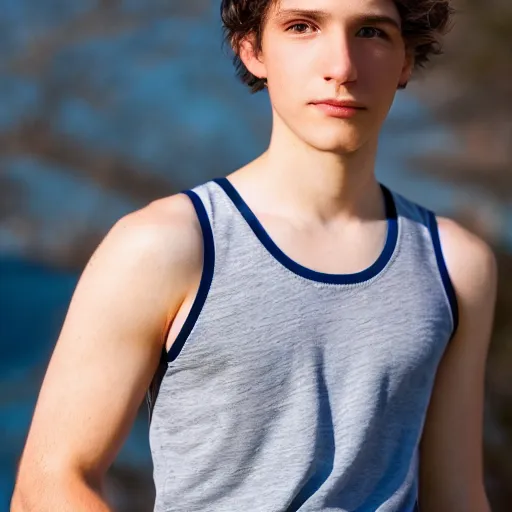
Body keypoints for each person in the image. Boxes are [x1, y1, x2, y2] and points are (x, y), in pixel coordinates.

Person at [11, 0, 497, 511]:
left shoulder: (455, 265)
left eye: (371, 32)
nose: (342, 67)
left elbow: (458, 495)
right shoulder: (167, 245)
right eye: (302, 27)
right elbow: (49, 485)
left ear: (405, 59)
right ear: (253, 50)